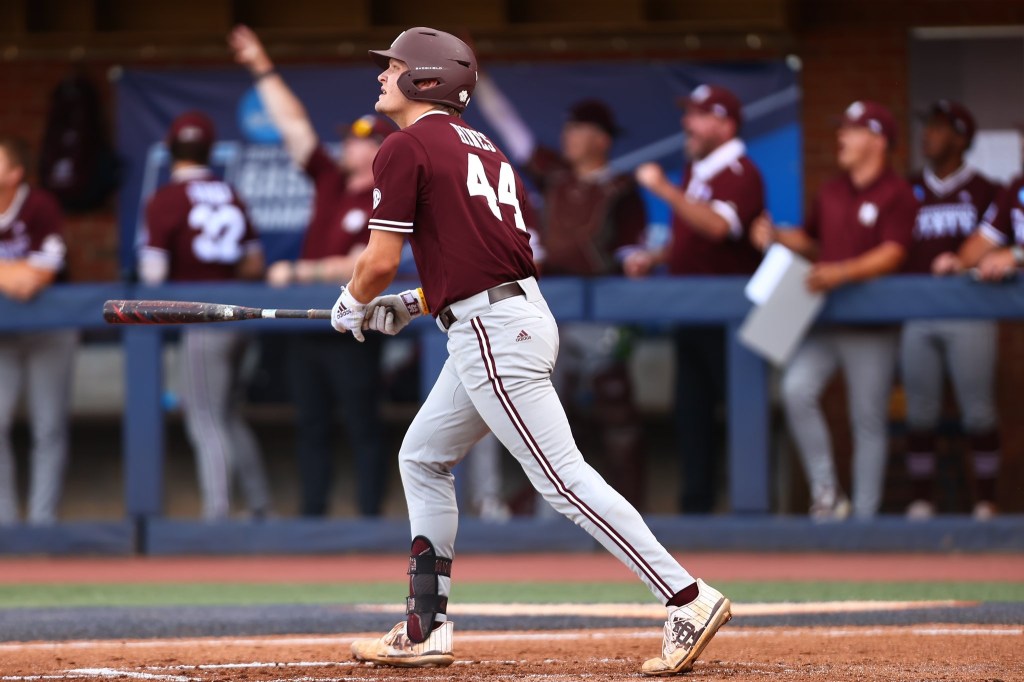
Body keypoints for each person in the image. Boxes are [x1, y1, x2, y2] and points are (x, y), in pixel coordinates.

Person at [326, 27, 731, 675]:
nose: (381, 77)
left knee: (561, 481)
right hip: (504, 314)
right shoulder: (481, 147)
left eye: (393, 66)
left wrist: (353, 300)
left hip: (492, 330)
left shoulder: (404, 146)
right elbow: (477, 259)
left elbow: (376, 262)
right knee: (423, 455)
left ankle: (686, 595)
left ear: (426, 79)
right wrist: (413, 301)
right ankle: (425, 626)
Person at [229, 24, 392, 517]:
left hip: (355, 324)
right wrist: (262, 68)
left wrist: (300, 272)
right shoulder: (330, 181)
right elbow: (294, 126)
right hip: (308, 323)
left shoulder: (385, 191)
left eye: (364, 141)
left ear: (383, 148)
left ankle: (368, 518)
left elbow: (369, 259)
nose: (351, 148)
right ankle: (313, 517)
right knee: (311, 423)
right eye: (349, 140)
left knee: (364, 422)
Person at [474, 74, 648, 508]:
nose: (568, 137)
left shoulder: (621, 188)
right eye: (568, 129)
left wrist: (639, 261)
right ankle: (549, 505)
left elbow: (632, 249)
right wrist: (478, 80)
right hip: (552, 305)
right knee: (549, 404)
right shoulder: (555, 175)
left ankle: (628, 504)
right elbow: (512, 129)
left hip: (603, 306)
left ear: (601, 139)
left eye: (578, 130)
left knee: (613, 404)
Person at [752, 100, 917, 520]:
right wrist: (775, 236)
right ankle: (827, 494)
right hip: (826, 320)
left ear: (877, 140)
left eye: (852, 130)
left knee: (867, 420)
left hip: (874, 326)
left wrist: (841, 272)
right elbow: (811, 241)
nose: (841, 137)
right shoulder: (832, 189)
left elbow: (892, 254)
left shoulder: (898, 192)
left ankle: (865, 519)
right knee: (796, 390)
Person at [624, 84, 765, 513]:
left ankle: (749, 515)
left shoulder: (741, 171)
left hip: (730, 317)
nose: (689, 123)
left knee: (739, 415)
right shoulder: (698, 170)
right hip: (690, 311)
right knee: (690, 415)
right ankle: (696, 510)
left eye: (701, 115)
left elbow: (720, 228)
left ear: (726, 124)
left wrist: (663, 188)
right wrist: (658, 257)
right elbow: (694, 237)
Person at [137, 111, 270, 520]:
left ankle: (218, 513)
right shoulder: (228, 192)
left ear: (172, 150)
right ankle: (262, 507)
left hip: (201, 317)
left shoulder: (166, 198)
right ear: (210, 151)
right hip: (238, 314)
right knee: (227, 414)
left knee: (204, 418)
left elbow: (153, 275)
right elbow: (253, 264)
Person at [901, 100, 1002, 520]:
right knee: (920, 411)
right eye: (928, 126)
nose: (928, 134)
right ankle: (922, 501)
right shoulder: (907, 188)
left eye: (940, 128)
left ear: (960, 137)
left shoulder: (987, 189)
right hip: (916, 311)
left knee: (978, 411)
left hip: (971, 311)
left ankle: (986, 502)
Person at [0, 135, 77, 525]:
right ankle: (5, 525)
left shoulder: (40, 205)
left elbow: (36, 280)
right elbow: (19, 276)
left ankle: (42, 524)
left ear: (15, 173)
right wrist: (10, 274)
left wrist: (11, 276)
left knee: (49, 426)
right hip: (3, 337)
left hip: (51, 331)